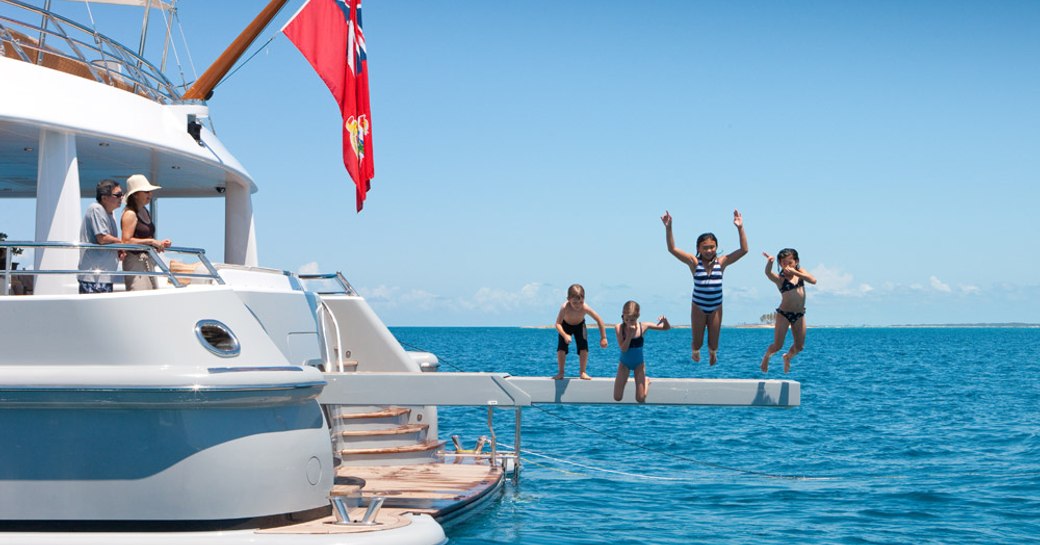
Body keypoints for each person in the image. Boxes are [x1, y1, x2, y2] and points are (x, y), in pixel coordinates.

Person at [661, 209, 748, 365]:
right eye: (705, 247)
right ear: (698, 248)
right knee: (698, 342)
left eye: (712, 247)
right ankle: (695, 351)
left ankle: (713, 353)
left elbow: (744, 250)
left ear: (716, 247)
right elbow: (672, 249)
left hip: (716, 307)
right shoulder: (694, 262)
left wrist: (740, 227)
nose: (709, 250)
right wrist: (669, 228)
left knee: (714, 343)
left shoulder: (721, 263)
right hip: (698, 306)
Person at [760, 249, 817, 373]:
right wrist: (770, 262)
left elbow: (813, 280)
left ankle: (787, 357)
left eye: (789, 262)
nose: (787, 266)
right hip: (784, 314)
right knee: (778, 345)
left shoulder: (801, 273)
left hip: (799, 314)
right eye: (783, 263)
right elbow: (768, 273)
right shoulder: (781, 279)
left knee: (799, 347)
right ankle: (766, 357)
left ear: (796, 261)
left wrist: (796, 272)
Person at [120, 174, 171, 290]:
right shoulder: (130, 214)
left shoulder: (144, 211)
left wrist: (159, 243)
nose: (150, 194)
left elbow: (144, 238)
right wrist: (151, 241)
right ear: (136, 195)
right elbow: (125, 242)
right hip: (135, 264)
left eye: (150, 191)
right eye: (146, 191)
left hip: (148, 261)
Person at [613, 301, 670, 403]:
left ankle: (646, 381)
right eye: (626, 319)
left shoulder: (643, 326)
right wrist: (629, 335)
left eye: (632, 320)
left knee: (640, 399)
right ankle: (625, 379)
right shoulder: (619, 328)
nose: (629, 322)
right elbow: (623, 349)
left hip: (639, 364)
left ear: (638, 316)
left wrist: (665, 321)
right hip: (624, 364)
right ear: (622, 316)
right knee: (617, 397)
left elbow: (666, 328)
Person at [77, 179, 124, 294]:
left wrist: (118, 249)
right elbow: (102, 238)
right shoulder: (96, 209)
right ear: (104, 198)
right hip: (94, 278)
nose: (121, 197)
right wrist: (121, 243)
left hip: (105, 276)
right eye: (117, 195)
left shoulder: (109, 214)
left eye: (122, 194)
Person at [553, 284, 608, 380]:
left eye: (581, 302)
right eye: (574, 303)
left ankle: (582, 372)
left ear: (584, 299)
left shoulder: (585, 307)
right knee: (561, 348)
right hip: (565, 326)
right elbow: (557, 324)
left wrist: (603, 337)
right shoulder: (564, 307)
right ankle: (561, 372)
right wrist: (565, 335)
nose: (578, 305)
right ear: (568, 299)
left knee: (583, 347)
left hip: (580, 325)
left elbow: (599, 320)